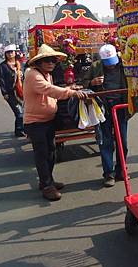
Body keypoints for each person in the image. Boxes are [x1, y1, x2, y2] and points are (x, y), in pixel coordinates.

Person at [23, 44, 87, 201]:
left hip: (48, 119)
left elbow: (51, 88)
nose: (51, 63)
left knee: (51, 152)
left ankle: (48, 180)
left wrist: (68, 88)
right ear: (39, 62)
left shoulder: (47, 74)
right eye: (48, 60)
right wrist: (71, 92)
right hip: (35, 122)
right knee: (42, 153)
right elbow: (48, 90)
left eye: (54, 60)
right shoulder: (32, 74)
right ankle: (46, 185)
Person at [83, 44, 129, 187]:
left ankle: (121, 170)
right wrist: (92, 82)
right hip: (103, 107)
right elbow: (83, 82)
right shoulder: (96, 66)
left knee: (123, 141)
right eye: (107, 63)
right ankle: (108, 173)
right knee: (106, 141)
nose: (110, 66)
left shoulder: (124, 65)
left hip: (121, 106)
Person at [0, 44, 24, 137]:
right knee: (19, 112)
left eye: (11, 52)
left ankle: (21, 129)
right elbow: (1, 81)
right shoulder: (3, 66)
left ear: (15, 53)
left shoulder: (20, 64)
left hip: (22, 92)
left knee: (24, 112)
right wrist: (4, 93)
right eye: (7, 53)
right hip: (10, 93)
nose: (10, 54)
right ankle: (20, 130)